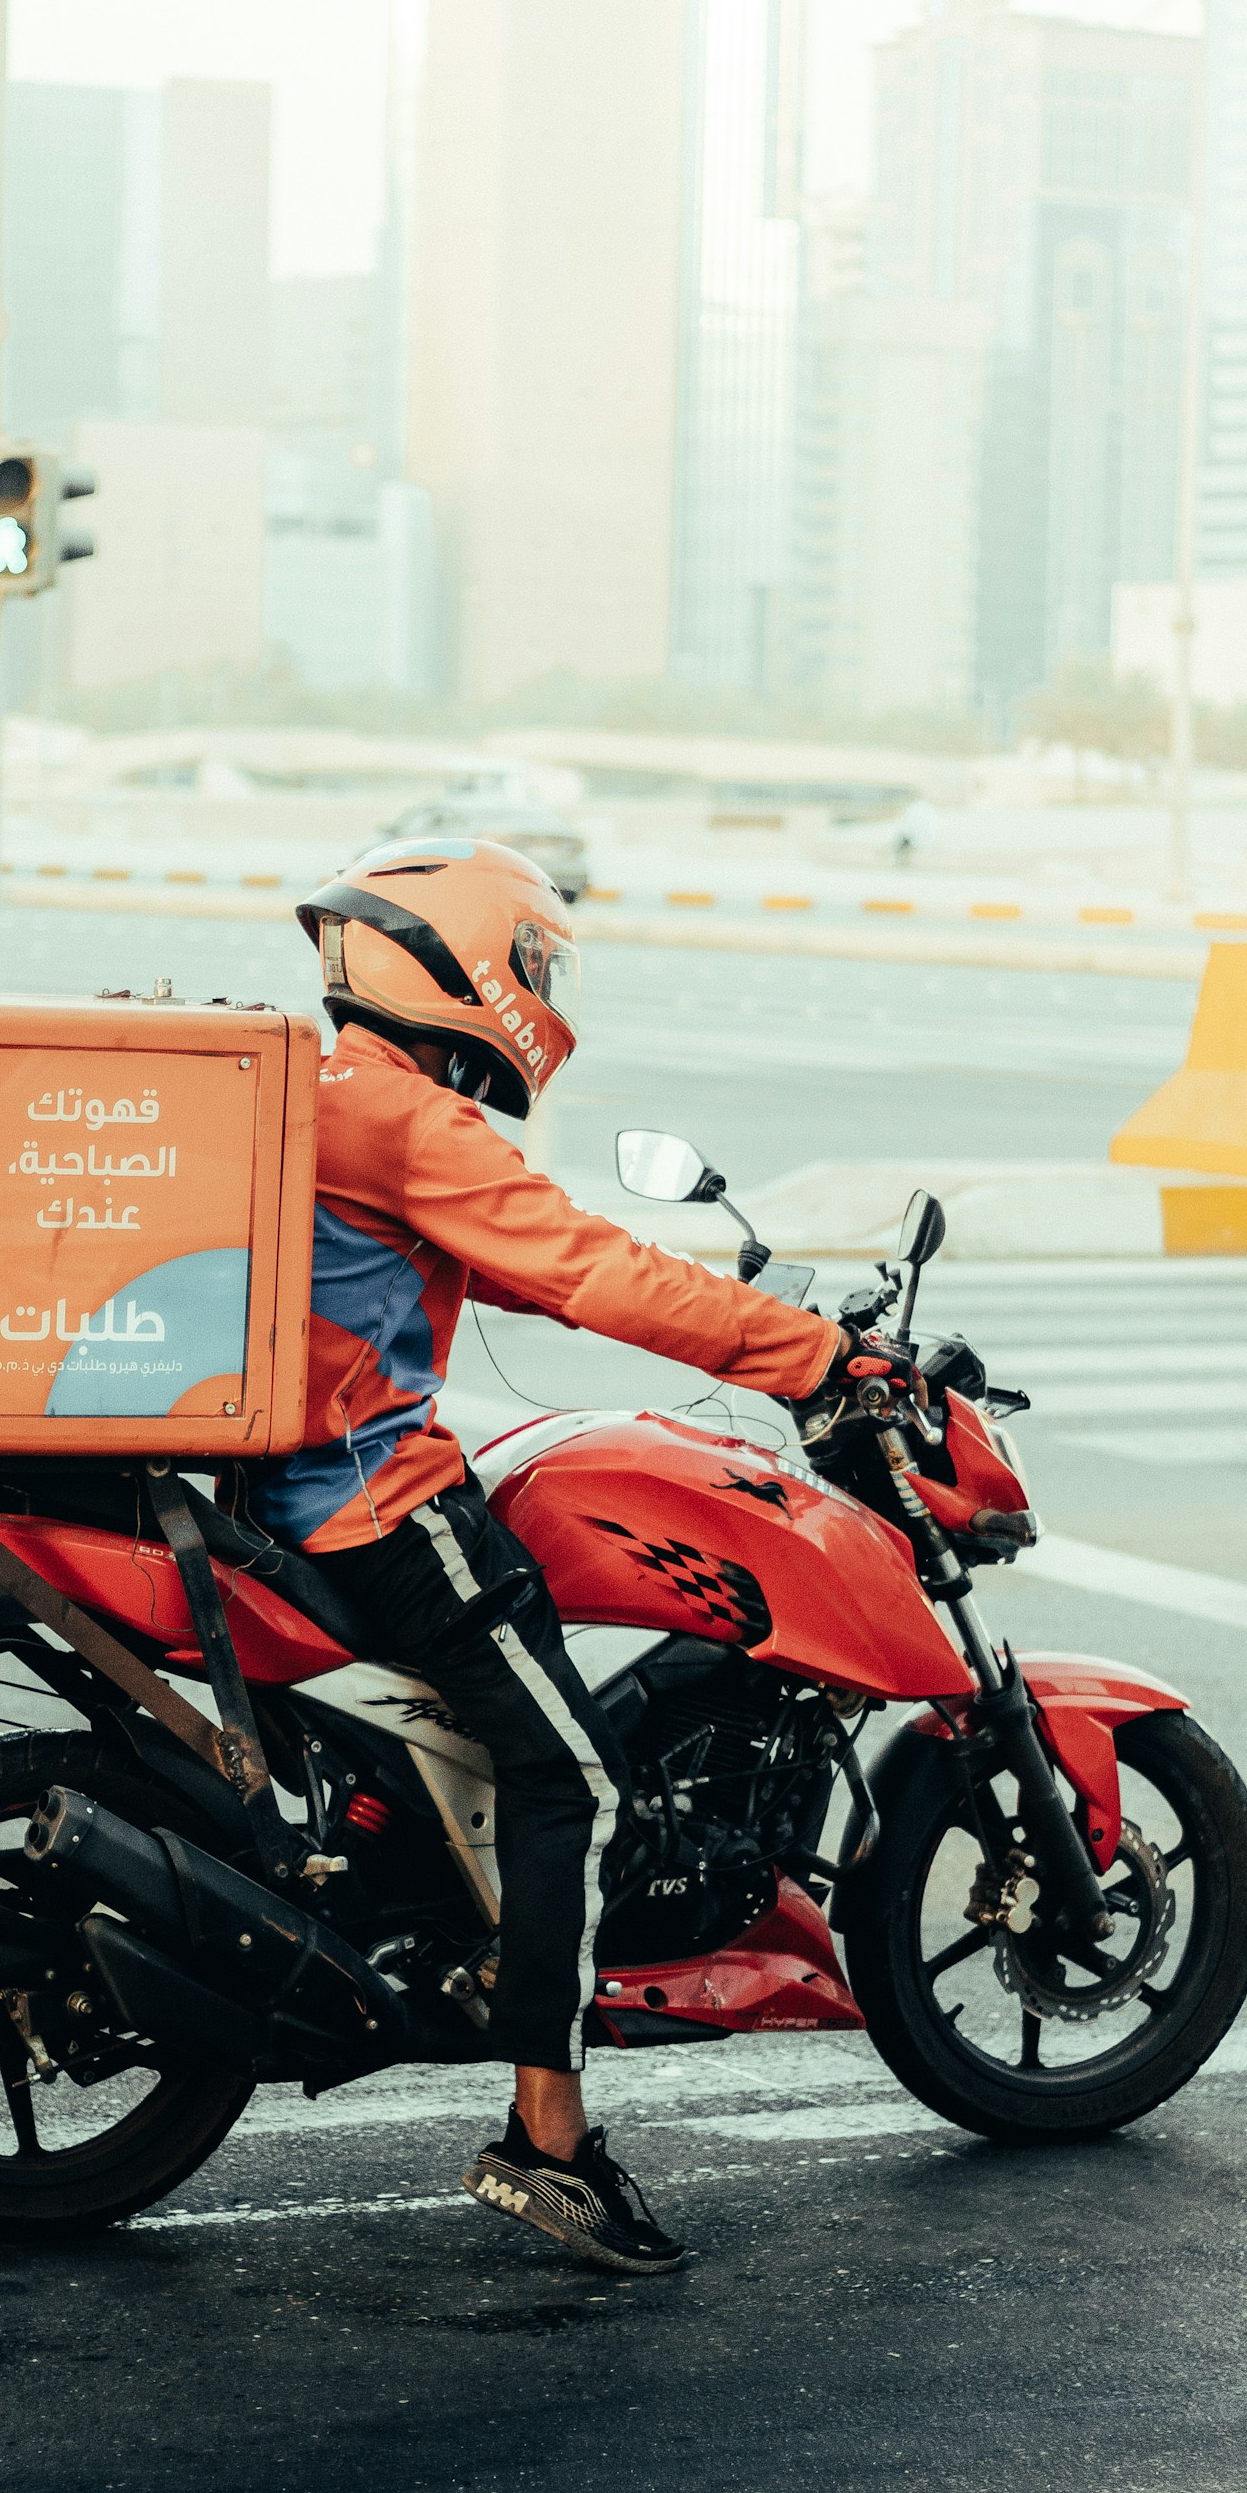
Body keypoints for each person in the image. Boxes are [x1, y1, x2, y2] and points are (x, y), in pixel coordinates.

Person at [243, 838, 861, 2277]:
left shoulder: (312, 1089)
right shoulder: (409, 1121)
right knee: (575, 1782)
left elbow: (546, 1264)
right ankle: (549, 2141)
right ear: (459, 967)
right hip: (371, 1507)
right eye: (531, 963)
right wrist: (816, 1354)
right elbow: (594, 1271)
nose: (541, 989)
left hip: (270, 1491)